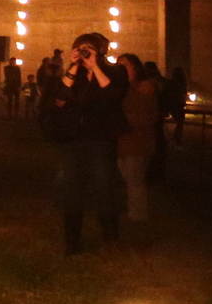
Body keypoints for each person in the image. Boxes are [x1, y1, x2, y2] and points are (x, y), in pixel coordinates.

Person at [37, 31, 126, 254]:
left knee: (104, 188)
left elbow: (113, 96)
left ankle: (110, 235)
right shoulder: (70, 76)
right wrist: (74, 66)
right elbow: (59, 97)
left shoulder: (114, 72)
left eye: (89, 49)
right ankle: (72, 241)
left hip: (100, 141)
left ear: (100, 51)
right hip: (73, 140)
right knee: (72, 191)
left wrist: (95, 66)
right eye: (81, 48)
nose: (85, 53)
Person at [115, 53, 160, 225]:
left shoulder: (144, 88)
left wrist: (125, 119)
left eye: (125, 65)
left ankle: (138, 215)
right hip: (122, 141)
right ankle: (131, 211)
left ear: (135, 67)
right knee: (127, 177)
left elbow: (150, 115)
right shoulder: (121, 88)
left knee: (135, 178)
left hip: (138, 141)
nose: (121, 69)